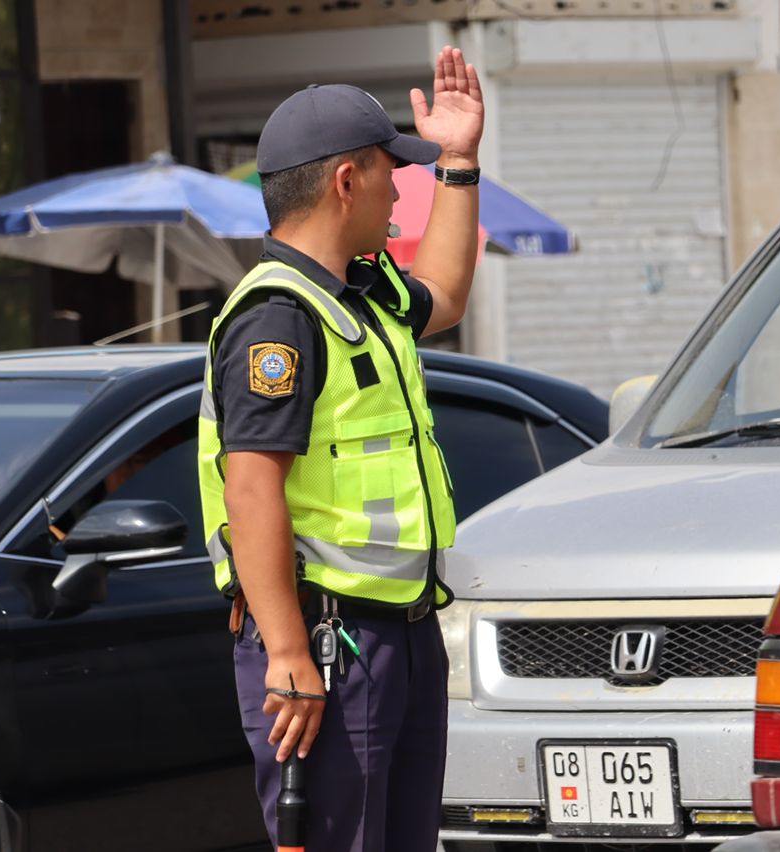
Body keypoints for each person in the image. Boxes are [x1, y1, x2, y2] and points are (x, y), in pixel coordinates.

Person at [196, 47, 483, 851]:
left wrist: (458, 165)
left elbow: (449, 295)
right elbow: (251, 490)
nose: (401, 190)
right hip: (329, 644)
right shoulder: (276, 317)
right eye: (393, 171)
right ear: (346, 181)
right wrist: (288, 653)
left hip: (398, 631)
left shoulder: (364, 289)